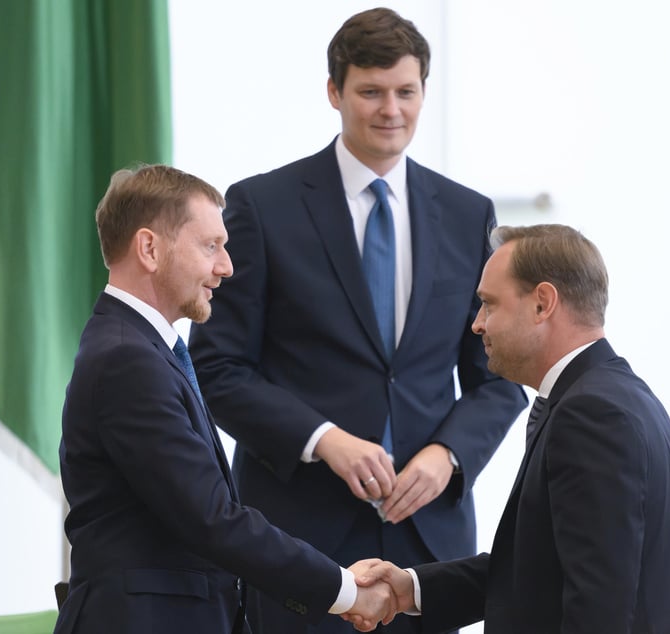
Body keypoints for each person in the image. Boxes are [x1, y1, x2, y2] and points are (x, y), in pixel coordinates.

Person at [188, 7, 528, 634]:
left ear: (425, 90)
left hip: (430, 542)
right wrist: (324, 439)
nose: (390, 109)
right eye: (370, 92)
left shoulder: (466, 212)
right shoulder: (261, 207)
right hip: (298, 539)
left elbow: (501, 375)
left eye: (406, 91)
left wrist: (447, 456)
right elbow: (216, 368)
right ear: (334, 92)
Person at [53, 164, 395, 634]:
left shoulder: (141, 349)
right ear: (149, 248)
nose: (226, 266)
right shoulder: (126, 359)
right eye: (210, 246)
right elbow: (211, 518)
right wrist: (346, 591)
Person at [349, 224, 670, 633]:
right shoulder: (606, 396)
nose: (477, 325)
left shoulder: (591, 415)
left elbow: (600, 608)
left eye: (488, 304)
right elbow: (535, 570)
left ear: (542, 304)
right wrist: (409, 589)